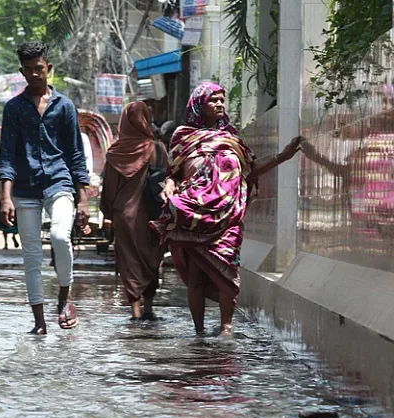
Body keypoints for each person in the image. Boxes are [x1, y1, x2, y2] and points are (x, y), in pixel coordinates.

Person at [149, 81, 301, 336]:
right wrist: (169, 186)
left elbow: (250, 170)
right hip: (195, 215)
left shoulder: (232, 139)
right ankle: (198, 331)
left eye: (222, 100)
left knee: (227, 270)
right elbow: (172, 173)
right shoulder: (183, 137)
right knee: (196, 275)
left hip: (228, 216)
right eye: (214, 100)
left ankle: (226, 328)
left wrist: (282, 156)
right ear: (199, 105)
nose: (220, 104)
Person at [0, 41, 90, 334]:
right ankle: (39, 322)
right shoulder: (13, 108)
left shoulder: (65, 107)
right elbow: (7, 155)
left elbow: (75, 153)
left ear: (48, 68)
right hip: (24, 188)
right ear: (22, 72)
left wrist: (83, 198)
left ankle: (64, 296)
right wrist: (6, 197)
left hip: (59, 182)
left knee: (61, 237)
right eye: (29, 70)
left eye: (40, 68)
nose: (35, 74)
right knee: (32, 256)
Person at [101, 102, 167, 321]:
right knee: (151, 259)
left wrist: (109, 214)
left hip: (124, 216)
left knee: (129, 262)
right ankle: (148, 307)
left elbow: (109, 189)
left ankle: (135, 311)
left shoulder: (114, 153)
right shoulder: (157, 148)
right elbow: (167, 180)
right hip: (152, 214)